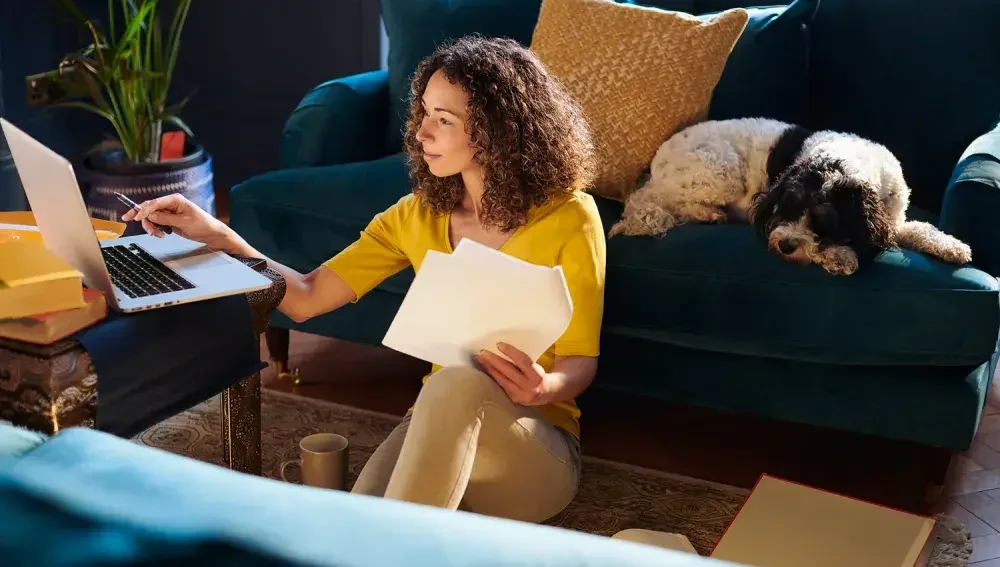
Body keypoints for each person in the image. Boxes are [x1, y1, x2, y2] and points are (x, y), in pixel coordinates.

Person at [123, 35, 606, 523]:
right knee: (356, 524)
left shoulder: (570, 216)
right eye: (423, 113)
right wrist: (217, 235)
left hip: (535, 452)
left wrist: (544, 387)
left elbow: (580, 359)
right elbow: (306, 299)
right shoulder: (416, 216)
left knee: (456, 385)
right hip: (438, 426)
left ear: (497, 130)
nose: (421, 133)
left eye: (444, 119)